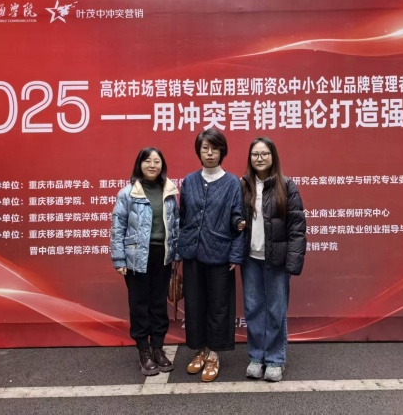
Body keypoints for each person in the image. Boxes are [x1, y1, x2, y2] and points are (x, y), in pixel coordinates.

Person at [177, 128, 245, 383]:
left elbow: (239, 220)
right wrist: (179, 250)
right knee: (194, 306)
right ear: (199, 151)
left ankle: (214, 354)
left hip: (220, 255)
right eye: (205, 148)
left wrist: (235, 256)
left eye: (214, 149)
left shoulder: (232, 183)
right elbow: (183, 218)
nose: (209, 153)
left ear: (222, 152)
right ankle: (201, 350)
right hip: (192, 254)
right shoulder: (189, 181)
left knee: (218, 306)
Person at [239, 136, 306, 382]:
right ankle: (257, 357)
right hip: (250, 259)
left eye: (264, 153)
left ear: (273, 156)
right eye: (255, 154)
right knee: (253, 309)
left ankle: (275, 359)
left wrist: (292, 262)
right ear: (250, 158)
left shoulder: (287, 186)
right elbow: (233, 219)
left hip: (276, 260)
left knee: (276, 310)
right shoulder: (243, 185)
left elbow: (297, 228)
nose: (260, 158)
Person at [111, 147, 180, 376]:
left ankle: (158, 348)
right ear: (139, 164)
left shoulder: (169, 192)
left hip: (163, 255)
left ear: (162, 165)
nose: (152, 165)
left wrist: (176, 254)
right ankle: (143, 350)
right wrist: (119, 259)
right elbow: (118, 227)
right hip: (136, 257)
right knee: (139, 304)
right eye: (147, 161)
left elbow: (176, 224)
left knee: (159, 304)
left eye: (157, 161)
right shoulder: (127, 193)